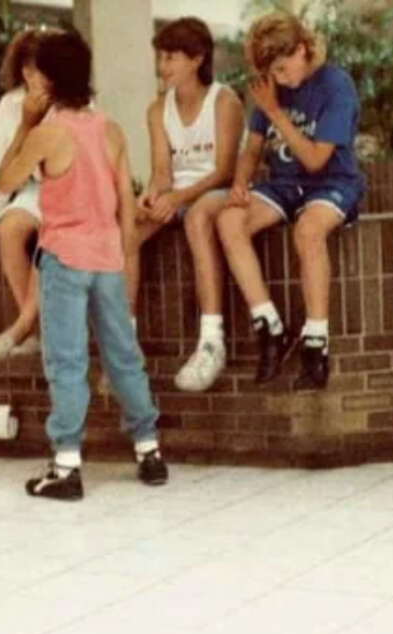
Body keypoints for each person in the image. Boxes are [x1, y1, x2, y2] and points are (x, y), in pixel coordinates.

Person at [0, 32, 168, 501]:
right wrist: (123, 254)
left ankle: (67, 464)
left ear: (47, 79)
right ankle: (149, 449)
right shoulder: (110, 129)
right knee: (123, 355)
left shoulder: (48, 133)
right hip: (108, 258)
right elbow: (127, 211)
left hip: (65, 259)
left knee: (67, 360)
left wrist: (25, 123)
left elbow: (4, 180)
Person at [215, 11, 365, 390]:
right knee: (229, 220)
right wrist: (240, 183)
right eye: (273, 73)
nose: (280, 80)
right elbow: (252, 147)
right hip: (284, 184)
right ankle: (270, 326)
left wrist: (275, 113)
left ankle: (316, 343)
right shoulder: (272, 86)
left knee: (308, 230)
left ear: (302, 50)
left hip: (331, 182)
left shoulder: (336, 85)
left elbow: (316, 159)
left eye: (284, 69)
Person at [136, 18, 243, 392]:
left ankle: (212, 341)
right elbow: (163, 172)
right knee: (126, 230)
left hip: (216, 193)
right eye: (160, 58)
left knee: (197, 219)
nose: (162, 67)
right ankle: (126, 342)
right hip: (178, 192)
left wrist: (178, 198)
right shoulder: (156, 109)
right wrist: (151, 196)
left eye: (170, 58)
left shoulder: (225, 100)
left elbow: (224, 170)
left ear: (197, 58)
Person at [0, 29, 45, 362]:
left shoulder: (75, 101)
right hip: (32, 187)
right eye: (26, 69)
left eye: (39, 67)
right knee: (11, 229)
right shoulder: (11, 103)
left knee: (54, 232)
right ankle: (33, 329)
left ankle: (26, 323)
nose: (32, 76)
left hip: (70, 190)